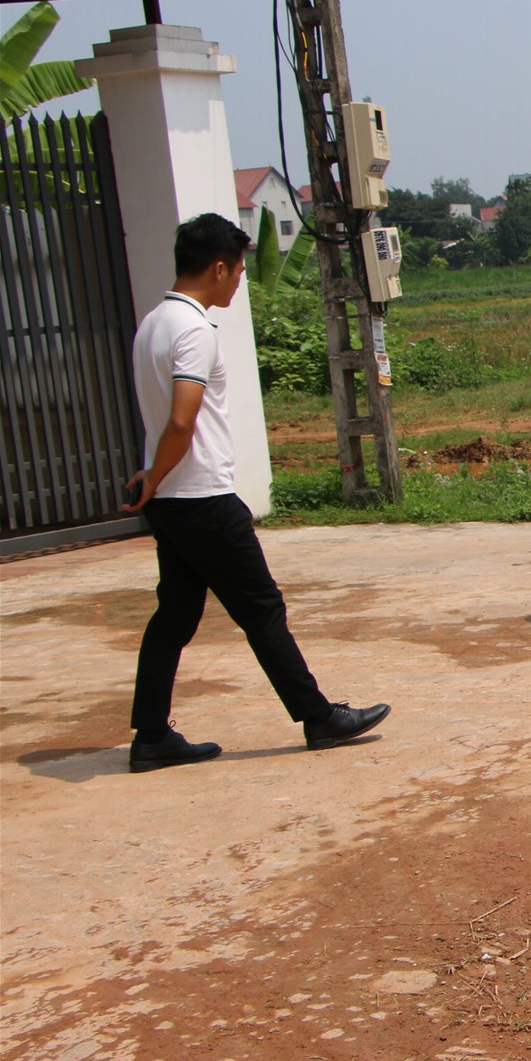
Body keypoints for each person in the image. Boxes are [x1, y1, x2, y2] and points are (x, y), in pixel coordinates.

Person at [121, 213, 390, 773]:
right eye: (240, 270)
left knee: (175, 616)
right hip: (201, 497)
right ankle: (319, 716)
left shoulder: (154, 323)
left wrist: (152, 479)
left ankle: (151, 736)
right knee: (262, 608)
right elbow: (181, 421)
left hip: (173, 501)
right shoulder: (194, 330)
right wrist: (156, 476)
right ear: (219, 268)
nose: (241, 281)